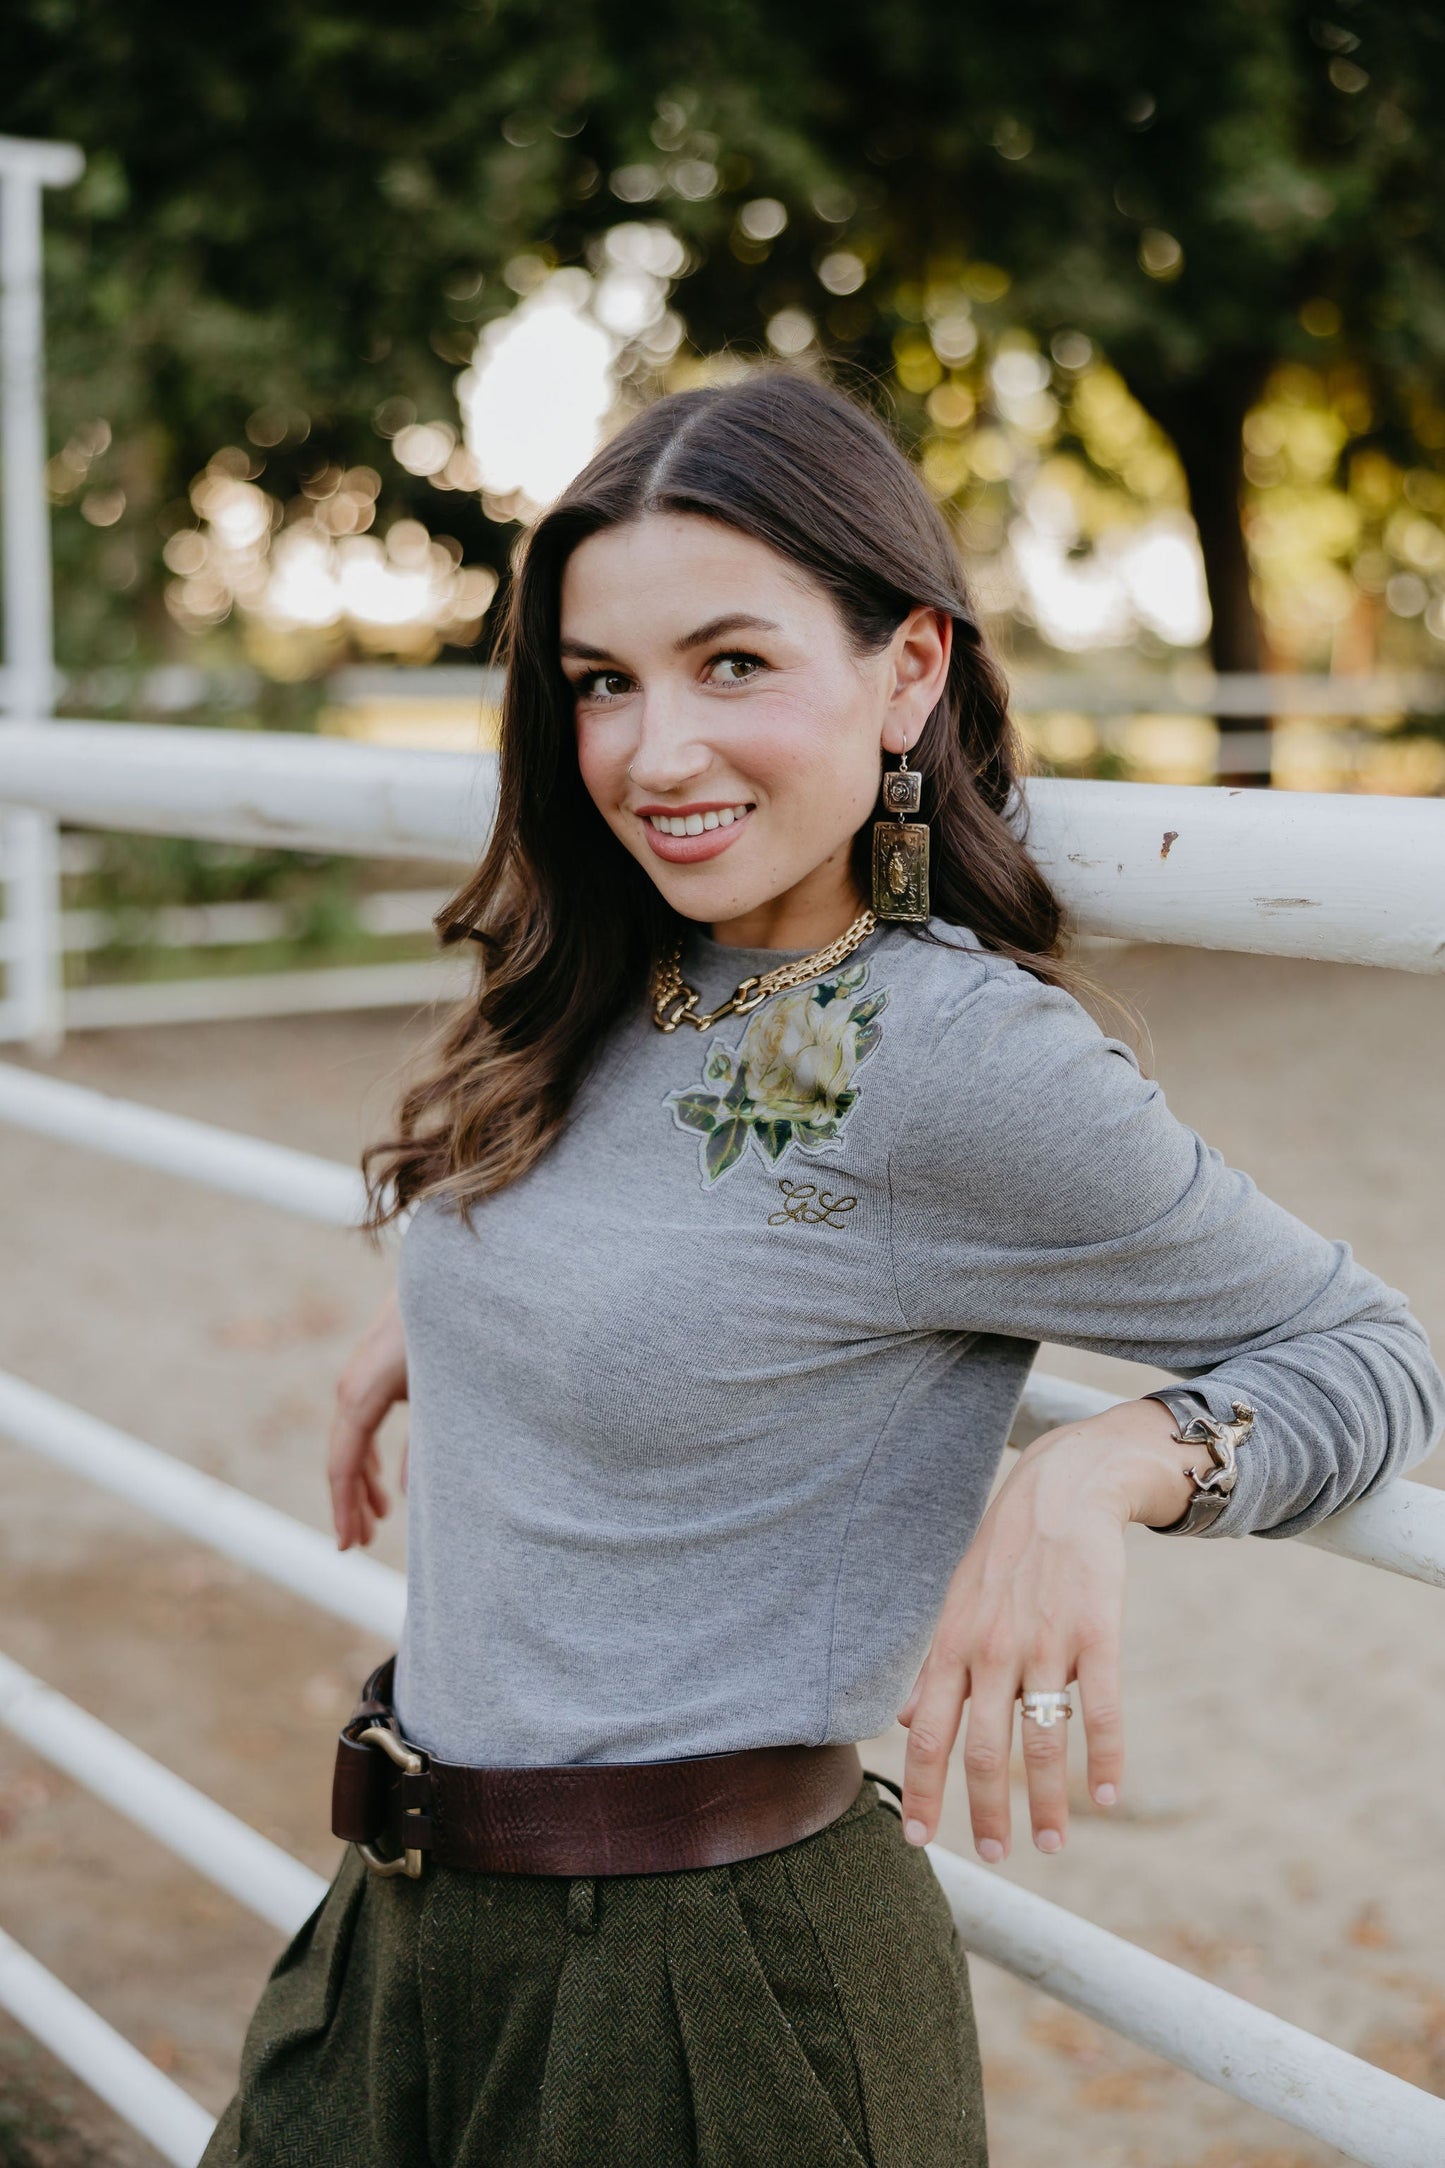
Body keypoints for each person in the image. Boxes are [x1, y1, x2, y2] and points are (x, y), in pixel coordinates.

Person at [202, 368, 1443, 2168]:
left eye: (732, 666)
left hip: (707, 2002)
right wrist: (484, 1305)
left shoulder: (954, 1055)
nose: (653, 754)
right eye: (599, 686)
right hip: (398, 1930)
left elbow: (1367, 1344)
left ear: (907, 672)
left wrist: (1103, 1465)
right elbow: (751, 1219)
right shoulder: (637, 977)